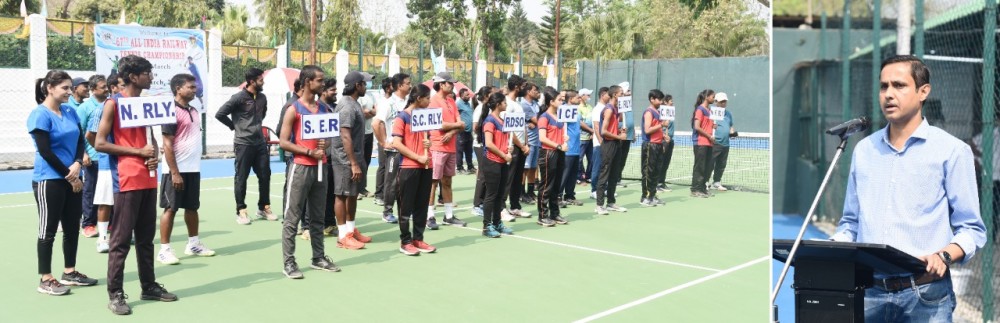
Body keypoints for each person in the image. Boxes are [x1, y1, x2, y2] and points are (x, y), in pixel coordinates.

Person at [830, 55, 987, 322]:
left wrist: (943, 255)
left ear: (923, 91)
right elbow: (850, 224)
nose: (889, 94)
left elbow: (972, 229)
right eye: (883, 86)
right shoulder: (863, 151)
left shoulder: (952, 151)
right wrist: (830, 248)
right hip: (867, 293)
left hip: (926, 297)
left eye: (899, 86)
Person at [95, 55, 177, 315]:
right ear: (133, 76)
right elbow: (100, 143)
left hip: (148, 177)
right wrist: (138, 153)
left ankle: (149, 285)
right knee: (120, 239)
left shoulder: (143, 105)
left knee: (145, 238)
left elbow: (147, 140)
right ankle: (115, 293)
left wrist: (153, 156)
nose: (151, 77)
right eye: (147, 73)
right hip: (126, 178)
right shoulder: (113, 104)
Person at [29, 70, 99, 296]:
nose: (71, 91)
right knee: (47, 230)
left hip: (73, 176)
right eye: (65, 88)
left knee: (71, 227)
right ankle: (45, 278)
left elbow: (80, 140)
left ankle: (69, 272)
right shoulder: (39, 114)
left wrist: (78, 163)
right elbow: (45, 151)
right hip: (49, 179)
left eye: (71, 87)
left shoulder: (69, 111)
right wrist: (70, 175)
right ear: (50, 88)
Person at [277, 65, 341, 279]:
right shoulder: (293, 109)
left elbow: (331, 136)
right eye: (319, 81)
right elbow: (284, 142)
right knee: (292, 217)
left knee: (318, 215)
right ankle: (289, 262)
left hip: (321, 168)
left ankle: (318, 257)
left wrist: (325, 148)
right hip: (301, 167)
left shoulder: (324, 109)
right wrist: (308, 151)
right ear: (307, 82)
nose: (323, 84)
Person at [156, 74, 215, 265]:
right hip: (174, 170)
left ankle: (193, 244)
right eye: (190, 87)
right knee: (170, 209)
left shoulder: (194, 110)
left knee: (192, 207)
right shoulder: (170, 111)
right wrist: (175, 172)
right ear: (178, 88)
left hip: (193, 169)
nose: (194, 89)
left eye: (194, 86)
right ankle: (164, 250)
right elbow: (167, 144)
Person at [216, 68, 274, 225]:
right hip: (243, 144)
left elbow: (262, 115)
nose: (263, 82)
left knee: (265, 175)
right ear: (252, 81)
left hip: (260, 143)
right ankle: (241, 211)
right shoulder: (238, 98)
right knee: (242, 177)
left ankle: (263, 207)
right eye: (260, 80)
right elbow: (220, 114)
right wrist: (234, 126)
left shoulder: (262, 98)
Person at [392, 84, 438, 255]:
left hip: (426, 165)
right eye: (427, 98)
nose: (429, 101)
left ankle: (418, 238)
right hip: (409, 167)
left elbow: (426, 139)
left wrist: (429, 144)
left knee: (421, 205)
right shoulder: (402, 117)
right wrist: (417, 157)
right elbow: (396, 143)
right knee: (405, 206)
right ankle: (405, 241)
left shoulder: (426, 116)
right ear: (419, 98)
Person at [331, 71, 375, 250]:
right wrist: (353, 163)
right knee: (342, 195)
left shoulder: (354, 103)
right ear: (357, 85)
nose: (367, 86)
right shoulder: (347, 106)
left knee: (353, 194)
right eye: (365, 83)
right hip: (344, 159)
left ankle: (351, 230)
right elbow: (345, 135)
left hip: (354, 156)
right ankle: (343, 236)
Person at [426, 72, 467, 229]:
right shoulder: (432, 101)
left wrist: (451, 132)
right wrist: (455, 127)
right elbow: (439, 124)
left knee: (447, 181)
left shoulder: (451, 101)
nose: (452, 85)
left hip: (450, 147)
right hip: (437, 146)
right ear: (441, 84)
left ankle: (448, 216)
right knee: (433, 182)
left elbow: (461, 124)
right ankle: (429, 216)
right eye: (450, 83)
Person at [86, 73, 118, 253]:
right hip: (107, 164)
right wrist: (104, 150)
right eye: (121, 85)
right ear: (114, 87)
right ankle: (103, 239)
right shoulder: (102, 108)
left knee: (124, 201)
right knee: (105, 201)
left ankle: (122, 233)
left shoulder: (130, 106)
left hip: (126, 163)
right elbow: (91, 135)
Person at [373, 73, 410, 223]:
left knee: (406, 181)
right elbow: (377, 123)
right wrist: (383, 143)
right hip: (394, 151)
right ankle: (387, 211)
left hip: (408, 150)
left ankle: (405, 210)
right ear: (400, 86)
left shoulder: (408, 103)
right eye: (408, 83)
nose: (410, 85)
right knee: (392, 182)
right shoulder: (388, 103)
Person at [478, 92, 515, 237]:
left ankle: (497, 223)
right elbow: (489, 143)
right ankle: (487, 226)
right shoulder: (489, 121)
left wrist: (509, 149)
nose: (506, 104)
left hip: (502, 161)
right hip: (492, 161)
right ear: (498, 104)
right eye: (504, 102)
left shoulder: (503, 121)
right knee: (491, 195)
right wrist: (504, 154)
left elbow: (502, 141)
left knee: (500, 195)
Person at [77, 74, 108, 239]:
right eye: (103, 87)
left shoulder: (110, 104)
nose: (106, 89)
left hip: (108, 156)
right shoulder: (85, 108)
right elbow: (79, 132)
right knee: (90, 191)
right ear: (93, 89)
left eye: (106, 86)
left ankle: (107, 221)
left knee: (109, 191)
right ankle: (88, 224)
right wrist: (84, 153)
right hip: (92, 157)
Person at [500, 76, 532, 221]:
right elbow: (507, 129)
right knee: (508, 178)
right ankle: (501, 208)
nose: (525, 89)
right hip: (511, 147)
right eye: (524, 86)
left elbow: (522, 126)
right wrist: (520, 145)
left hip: (522, 147)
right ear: (517, 87)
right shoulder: (505, 103)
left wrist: (526, 144)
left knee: (517, 179)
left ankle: (515, 206)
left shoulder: (518, 105)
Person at [536, 87, 568, 226]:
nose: (562, 102)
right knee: (546, 185)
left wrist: (564, 138)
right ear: (551, 102)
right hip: (548, 153)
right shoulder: (544, 117)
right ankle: (542, 215)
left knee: (556, 185)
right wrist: (558, 145)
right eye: (559, 100)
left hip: (559, 152)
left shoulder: (560, 116)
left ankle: (555, 213)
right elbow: (542, 138)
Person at [594, 85, 628, 215]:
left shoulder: (617, 110)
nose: (623, 96)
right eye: (621, 93)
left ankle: (611, 202)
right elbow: (603, 131)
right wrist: (619, 136)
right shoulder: (608, 110)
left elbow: (612, 129)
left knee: (614, 175)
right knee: (604, 175)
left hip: (616, 144)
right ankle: (599, 205)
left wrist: (620, 131)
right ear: (615, 95)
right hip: (608, 145)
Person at [470, 86, 494, 217]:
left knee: (488, 173)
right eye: (491, 94)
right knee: (483, 174)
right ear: (486, 96)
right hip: (480, 144)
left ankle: (484, 201)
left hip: (488, 144)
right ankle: (477, 204)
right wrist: (486, 134)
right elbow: (475, 127)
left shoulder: (491, 108)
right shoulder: (480, 108)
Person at [373, 77, 396, 207]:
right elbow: (378, 122)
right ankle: (379, 194)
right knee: (383, 167)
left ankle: (389, 194)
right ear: (388, 88)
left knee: (391, 169)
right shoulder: (384, 102)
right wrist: (383, 141)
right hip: (385, 141)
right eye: (394, 85)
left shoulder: (395, 102)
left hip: (394, 142)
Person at [640, 90, 666, 207]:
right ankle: (645, 197)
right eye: (659, 99)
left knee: (656, 171)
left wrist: (664, 136)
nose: (661, 102)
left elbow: (657, 129)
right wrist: (661, 125)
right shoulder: (649, 112)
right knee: (648, 172)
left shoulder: (658, 112)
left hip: (659, 145)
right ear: (652, 99)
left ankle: (652, 195)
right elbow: (647, 130)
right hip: (650, 145)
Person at [690, 89, 716, 198]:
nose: (714, 99)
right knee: (699, 167)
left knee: (707, 167)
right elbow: (697, 126)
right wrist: (709, 136)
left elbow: (707, 125)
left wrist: (713, 127)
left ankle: (702, 188)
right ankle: (695, 189)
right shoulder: (700, 109)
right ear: (707, 97)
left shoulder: (710, 111)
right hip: (701, 142)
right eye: (712, 97)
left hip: (709, 143)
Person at [561, 90, 584, 207]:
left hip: (576, 148)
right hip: (567, 149)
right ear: (570, 99)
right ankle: (558, 196)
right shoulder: (563, 110)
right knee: (564, 173)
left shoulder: (576, 111)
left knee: (573, 174)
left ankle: (569, 196)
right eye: (577, 98)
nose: (579, 99)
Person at [709, 92, 736, 191]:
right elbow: (708, 124)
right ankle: (705, 182)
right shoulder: (711, 112)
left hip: (726, 144)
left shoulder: (728, 113)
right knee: (710, 163)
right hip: (715, 142)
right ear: (716, 102)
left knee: (721, 164)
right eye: (721, 102)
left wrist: (732, 133)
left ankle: (716, 182)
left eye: (725, 101)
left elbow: (730, 125)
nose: (724, 103)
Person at [521, 83, 542, 204]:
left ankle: (530, 191)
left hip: (537, 140)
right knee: (525, 168)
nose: (537, 92)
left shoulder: (536, 104)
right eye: (535, 90)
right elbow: (539, 120)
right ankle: (521, 193)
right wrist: (533, 121)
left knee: (533, 167)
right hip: (529, 141)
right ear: (528, 92)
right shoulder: (524, 105)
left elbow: (539, 118)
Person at [590, 87, 609, 198]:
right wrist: (601, 142)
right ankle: (594, 190)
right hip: (599, 143)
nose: (610, 97)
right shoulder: (598, 109)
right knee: (597, 166)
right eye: (608, 95)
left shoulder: (607, 108)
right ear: (602, 95)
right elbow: (596, 126)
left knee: (605, 167)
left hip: (607, 143)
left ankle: (603, 188)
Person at [658, 94, 675, 192]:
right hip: (664, 140)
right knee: (660, 162)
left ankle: (662, 182)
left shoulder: (671, 113)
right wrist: (664, 136)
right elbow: (661, 126)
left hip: (670, 140)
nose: (672, 102)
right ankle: (657, 184)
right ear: (665, 102)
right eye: (670, 101)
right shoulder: (661, 112)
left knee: (666, 163)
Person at [456, 88, 475, 174]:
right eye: (467, 95)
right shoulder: (458, 104)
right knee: (460, 150)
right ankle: (459, 168)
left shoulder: (468, 104)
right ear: (461, 95)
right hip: (461, 132)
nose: (469, 96)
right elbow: (455, 115)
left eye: (469, 94)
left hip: (469, 131)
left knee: (469, 150)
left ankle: (470, 167)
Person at [577, 88, 595, 183]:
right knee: (579, 159)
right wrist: (591, 131)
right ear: (582, 96)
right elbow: (580, 123)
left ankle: (588, 176)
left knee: (592, 159)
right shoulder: (578, 108)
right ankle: (579, 176)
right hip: (581, 138)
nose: (589, 97)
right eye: (587, 95)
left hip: (591, 138)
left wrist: (593, 132)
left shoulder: (590, 107)